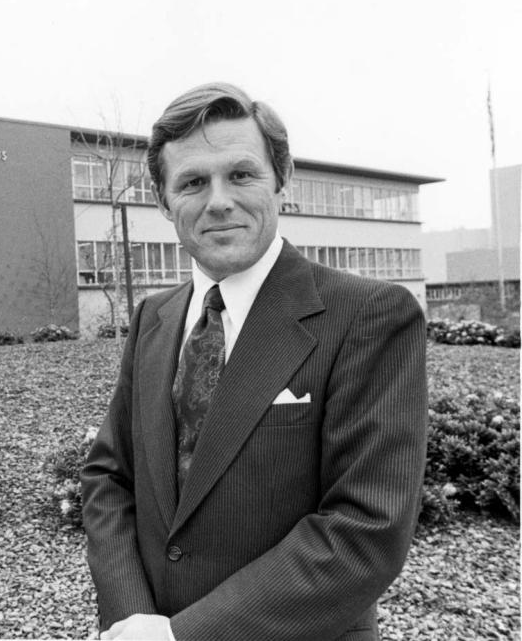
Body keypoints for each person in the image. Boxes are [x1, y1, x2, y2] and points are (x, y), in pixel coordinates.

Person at [81, 82, 427, 641]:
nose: (218, 200)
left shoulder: (368, 316)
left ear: (280, 182)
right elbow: (109, 476)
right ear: (164, 200)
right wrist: (132, 618)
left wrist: (183, 636)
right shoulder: (153, 318)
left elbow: (365, 529)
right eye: (192, 182)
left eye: (241, 174)